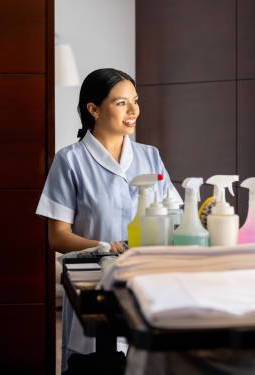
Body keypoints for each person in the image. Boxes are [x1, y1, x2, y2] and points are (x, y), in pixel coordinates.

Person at [35, 68, 181, 373]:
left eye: (136, 101)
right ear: (94, 109)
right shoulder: (70, 160)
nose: (133, 111)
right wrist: (106, 248)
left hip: (148, 290)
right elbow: (57, 237)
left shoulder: (150, 156)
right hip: (96, 290)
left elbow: (174, 219)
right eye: (121, 103)